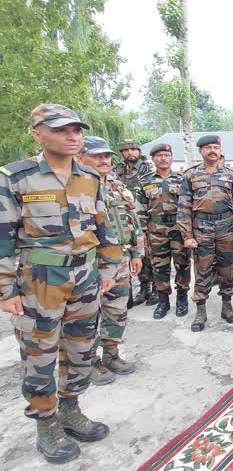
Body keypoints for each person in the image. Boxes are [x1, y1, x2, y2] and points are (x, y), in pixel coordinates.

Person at [0, 104, 122, 463]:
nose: (73, 136)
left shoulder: (90, 176)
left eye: (77, 130)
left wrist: (109, 267)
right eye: (62, 130)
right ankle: (46, 423)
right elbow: (3, 237)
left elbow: (104, 226)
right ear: (37, 133)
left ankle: (71, 409)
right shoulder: (15, 177)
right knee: (39, 356)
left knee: (81, 348)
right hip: (39, 280)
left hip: (85, 276)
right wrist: (5, 290)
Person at [76, 137, 145, 384]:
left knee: (117, 310)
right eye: (97, 156)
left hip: (121, 258)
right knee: (88, 314)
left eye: (106, 156)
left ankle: (111, 354)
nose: (104, 160)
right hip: (91, 262)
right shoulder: (76, 186)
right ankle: (89, 362)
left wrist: (136, 253)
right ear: (79, 158)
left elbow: (132, 219)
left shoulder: (115, 184)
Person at [177, 135, 233, 332]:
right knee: (202, 268)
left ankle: (227, 306)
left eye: (215, 147)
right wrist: (187, 235)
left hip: (226, 227)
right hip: (201, 228)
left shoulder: (230, 174)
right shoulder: (190, 175)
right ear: (200, 151)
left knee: (227, 268)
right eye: (208, 147)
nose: (212, 150)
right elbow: (184, 207)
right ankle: (201, 311)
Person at [136, 143, 192, 318]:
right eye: (159, 155)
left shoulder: (182, 180)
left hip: (178, 230)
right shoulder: (145, 182)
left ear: (171, 158)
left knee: (182, 265)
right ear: (153, 159)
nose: (163, 158)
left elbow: (189, 206)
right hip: (156, 231)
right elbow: (140, 210)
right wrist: (142, 234)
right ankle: (163, 301)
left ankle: (182, 299)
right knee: (159, 267)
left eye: (166, 155)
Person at [115, 139, 156, 305]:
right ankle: (143, 288)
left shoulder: (148, 169)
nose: (130, 153)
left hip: (145, 216)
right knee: (134, 254)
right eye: (126, 150)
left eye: (133, 149)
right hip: (124, 218)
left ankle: (155, 289)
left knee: (149, 255)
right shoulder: (118, 170)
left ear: (139, 151)